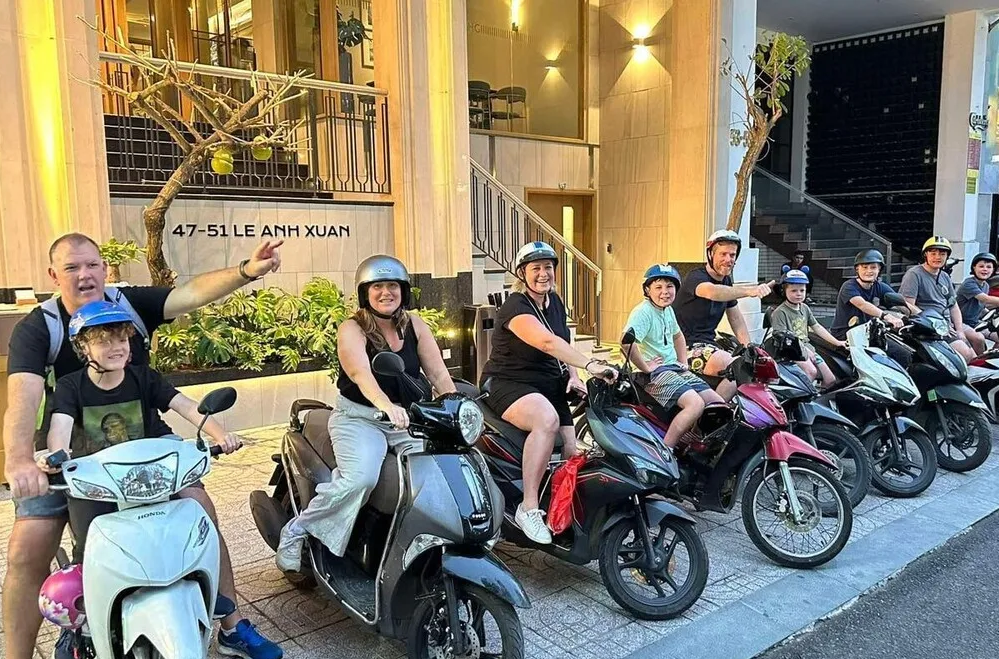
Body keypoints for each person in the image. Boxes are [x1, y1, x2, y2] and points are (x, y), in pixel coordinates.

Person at [0, 233, 285, 659]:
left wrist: (247, 271)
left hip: (144, 448)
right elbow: (24, 399)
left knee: (199, 513)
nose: (85, 274)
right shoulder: (41, 328)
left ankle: (229, 624)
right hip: (69, 456)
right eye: (72, 267)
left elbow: (190, 295)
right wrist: (20, 462)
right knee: (28, 550)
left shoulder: (127, 306)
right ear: (55, 276)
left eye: (93, 264)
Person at [275, 255, 456, 570]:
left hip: (406, 421)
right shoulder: (352, 328)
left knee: (434, 475)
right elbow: (360, 373)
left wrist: (456, 405)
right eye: (377, 287)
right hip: (359, 420)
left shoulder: (415, 324)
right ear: (365, 293)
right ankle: (297, 531)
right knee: (361, 479)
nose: (386, 293)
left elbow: (438, 374)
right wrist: (386, 405)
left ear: (403, 290)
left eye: (393, 286)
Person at [40, 300, 243, 555]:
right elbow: (60, 426)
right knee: (91, 546)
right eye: (104, 342)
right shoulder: (71, 386)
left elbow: (187, 407)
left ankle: (213, 586)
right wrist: (56, 455)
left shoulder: (144, 377)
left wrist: (221, 435)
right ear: (83, 346)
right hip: (97, 478)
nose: (116, 348)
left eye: (121, 340)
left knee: (200, 509)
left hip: (154, 469)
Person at [480, 242, 616, 544]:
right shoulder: (515, 306)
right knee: (546, 421)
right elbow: (546, 343)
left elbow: (562, 342)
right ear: (522, 273)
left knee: (573, 449)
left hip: (548, 383)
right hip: (508, 382)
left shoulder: (554, 302)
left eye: (548, 267)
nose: (544, 274)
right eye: (536, 268)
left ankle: (564, 508)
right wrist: (592, 363)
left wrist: (574, 376)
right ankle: (528, 508)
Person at [623, 265, 724, 448]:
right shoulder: (643, 312)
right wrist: (645, 366)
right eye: (658, 287)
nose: (665, 292)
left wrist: (683, 361)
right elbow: (625, 342)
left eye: (669, 286)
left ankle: (689, 442)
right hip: (654, 374)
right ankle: (666, 451)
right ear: (647, 289)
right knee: (695, 404)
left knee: (717, 403)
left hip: (673, 367)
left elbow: (678, 335)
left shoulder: (667, 310)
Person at [673, 230, 775, 399]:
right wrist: (751, 290)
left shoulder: (726, 281)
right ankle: (713, 416)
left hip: (708, 345)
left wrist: (749, 347)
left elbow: (735, 318)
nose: (728, 259)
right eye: (723, 254)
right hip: (685, 348)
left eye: (732, 255)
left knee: (757, 365)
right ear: (710, 255)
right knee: (738, 368)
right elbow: (713, 292)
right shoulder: (695, 277)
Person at [900, 236, 986, 360]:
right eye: (933, 253)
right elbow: (908, 306)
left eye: (942, 253)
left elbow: (953, 305)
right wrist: (936, 324)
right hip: (931, 326)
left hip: (947, 323)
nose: (937, 257)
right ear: (925, 255)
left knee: (978, 339)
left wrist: (960, 330)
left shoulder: (944, 276)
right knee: (966, 353)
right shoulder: (914, 274)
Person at [769, 267, 845, 387]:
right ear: (784, 291)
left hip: (808, 349)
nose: (798, 294)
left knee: (830, 379)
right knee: (811, 372)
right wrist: (804, 350)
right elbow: (781, 337)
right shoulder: (780, 312)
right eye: (794, 291)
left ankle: (817, 401)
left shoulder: (804, 308)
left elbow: (817, 327)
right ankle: (798, 403)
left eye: (802, 290)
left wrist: (837, 342)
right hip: (791, 352)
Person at [830, 249, 915, 340]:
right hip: (845, 334)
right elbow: (862, 304)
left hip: (867, 332)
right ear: (857, 269)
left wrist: (922, 315)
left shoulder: (880, 286)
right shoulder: (849, 286)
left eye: (873, 267)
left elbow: (901, 302)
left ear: (879, 270)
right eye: (864, 267)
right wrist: (886, 316)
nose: (869, 271)